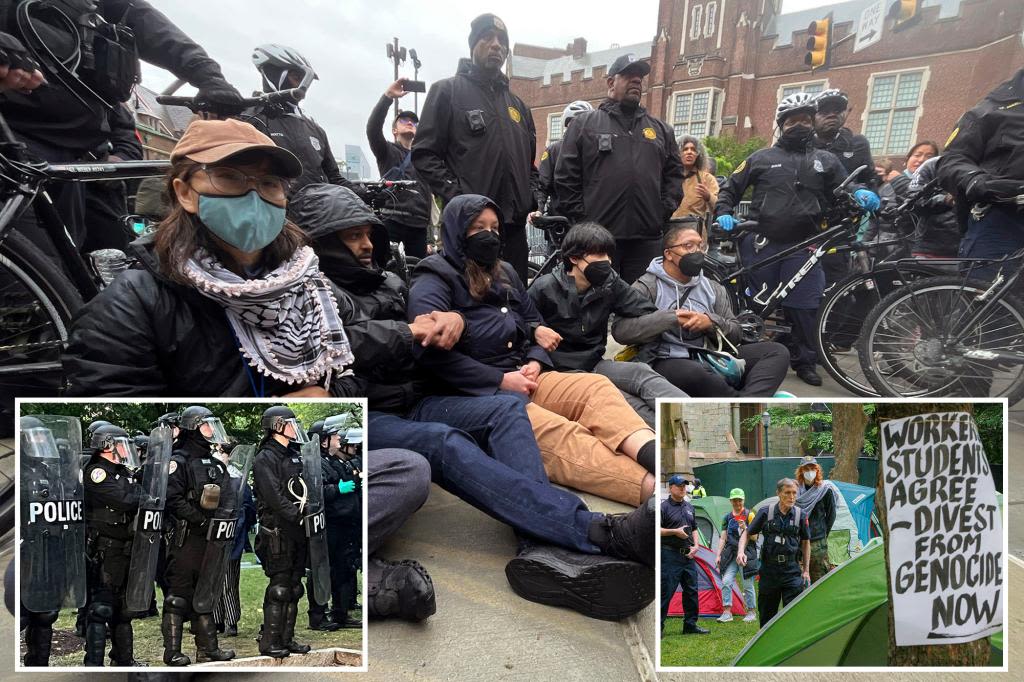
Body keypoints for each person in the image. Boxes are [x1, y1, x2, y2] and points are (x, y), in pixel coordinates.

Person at [291, 184, 656, 621]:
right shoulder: (311, 294)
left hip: (424, 397)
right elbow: (370, 343)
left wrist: (517, 347)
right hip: (369, 411)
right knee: (444, 442)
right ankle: (595, 531)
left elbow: (528, 322)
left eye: (368, 233)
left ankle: (538, 548)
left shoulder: (392, 279)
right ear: (318, 240)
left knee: (509, 411)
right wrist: (448, 332)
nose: (366, 244)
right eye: (352, 236)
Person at [63, 118, 356, 398]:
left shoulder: (309, 281)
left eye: (269, 183)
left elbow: (360, 369)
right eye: (229, 177)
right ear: (185, 193)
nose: (253, 197)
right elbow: (120, 419)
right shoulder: (132, 304)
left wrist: (329, 394)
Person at [409, 194, 658, 506]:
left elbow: (533, 322)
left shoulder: (505, 272)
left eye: (495, 228)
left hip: (523, 375)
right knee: (557, 431)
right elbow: (428, 353)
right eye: (478, 227)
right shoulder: (434, 274)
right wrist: (498, 380)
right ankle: (653, 489)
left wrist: (535, 361)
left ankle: (655, 456)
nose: (490, 235)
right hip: (471, 392)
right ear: (456, 230)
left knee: (594, 387)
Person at [0, 1, 243, 253]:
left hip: (76, 159)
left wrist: (209, 76)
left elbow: (150, 25)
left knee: (92, 262)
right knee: (32, 276)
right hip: (14, 145)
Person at [715, 93, 879, 386]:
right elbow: (730, 189)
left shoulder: (825, 160)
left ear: (812, 122)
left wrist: (859, 192)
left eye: (805, 119)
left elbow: (846, 186)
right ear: (781, 124)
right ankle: (752, 356)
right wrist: (724, 213)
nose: (799, 125)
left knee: (805, 307)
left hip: (806, 245)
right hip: (762, 242)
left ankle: (804, 360)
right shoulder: (761, 157)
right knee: (756, 306)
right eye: (792, 121)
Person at [412, 13, 538, 281]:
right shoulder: (447, 92)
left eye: (502, 41)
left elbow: (530, 166)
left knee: (515, 302)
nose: (496, 45)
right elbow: (424, 154)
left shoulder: (519, 107)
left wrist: (531, 197)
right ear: (473, 44)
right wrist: (459, 196)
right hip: (470, 228)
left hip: (513, 229)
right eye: (487, 37)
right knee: (471, 304)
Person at [527, 222, 688, 427]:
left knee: (641, 373)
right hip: (558, 372)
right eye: (599, 255)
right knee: (621, 399)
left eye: (608, 255)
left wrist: (642, 357)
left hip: (594, 363)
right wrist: (536, 332)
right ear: (574, 258)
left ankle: (696, 418)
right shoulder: (544, 287)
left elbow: (647, 314)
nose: (607, 262)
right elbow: (520, 324)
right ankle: (677, 436)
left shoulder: (610, 283)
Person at [614, 224, 789, 397]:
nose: (697, 252)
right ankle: (743, 402)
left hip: (709, 354)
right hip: (665, 358)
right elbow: (621, 331)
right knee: (694, 373)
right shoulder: (646, 286)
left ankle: (745, 403)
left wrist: (710, 323)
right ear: (668, 254)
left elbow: (736, 333)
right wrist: (670, 318)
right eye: (688, 246)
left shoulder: (713, 288)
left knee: (777, 352)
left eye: (700, 246)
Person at [555, 53, 684, 283]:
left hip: (646, 240)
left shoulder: (661, 130)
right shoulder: (585, 125)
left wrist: (660, 212)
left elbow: (674, 176)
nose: (636, 81)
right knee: (596, 305)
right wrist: (585, 222)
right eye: (628, 75)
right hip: (599, 241)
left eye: (640, 77)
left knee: (641, 307)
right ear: (611, 82)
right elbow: (566, 177)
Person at [162, 406, 236, 666]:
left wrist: (222, 521)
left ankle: (207, 649)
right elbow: (172, 499)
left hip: (211, 537)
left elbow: (228, 497)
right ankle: (172, 652)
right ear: (193, 427)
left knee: (205, 593)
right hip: (186, 538)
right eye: (206, 425)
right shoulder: (177, 461)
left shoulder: (215, 463)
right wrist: (200, 520)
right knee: (179, 596)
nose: (211, 431)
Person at [938, 66, 1024, 276]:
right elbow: (951, 160)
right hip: (1003, 219)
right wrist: (977, 180)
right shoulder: (989, 110)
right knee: (986, 300)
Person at [251, 406, 317, 658]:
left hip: (298, 530)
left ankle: (287, 639)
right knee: (279, 588)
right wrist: (299, 516)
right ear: (277, 425)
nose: (295, 426)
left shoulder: (293, 454)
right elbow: (275, 497)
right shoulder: (264, 458)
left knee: (294, 587)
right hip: (278, 531)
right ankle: (269, 641)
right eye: (290, 422)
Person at [246, 44, 353, 196]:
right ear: (273, 75)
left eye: (306, 81)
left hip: (319, 211)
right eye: (297, 78)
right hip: (274, 210)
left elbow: (334, 177)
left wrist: (367, 193)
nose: (304, 88)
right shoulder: (247, 118)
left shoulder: (315, 129)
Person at [82, 424, 143, 666]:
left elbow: (139, 492)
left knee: (123, 610)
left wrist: (141, 494)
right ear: (107, 445)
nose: (125, 449)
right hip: (105, 550)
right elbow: (125, 500)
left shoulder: (124, 471)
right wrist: (141, 496)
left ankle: (123, 659)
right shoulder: (96, 472)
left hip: (126, 547)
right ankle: (94, 664)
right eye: (120, 443)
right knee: (101, 609)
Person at [812, 89, 877, 286]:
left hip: (841, 224)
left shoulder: (857, 144)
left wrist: (864, 194)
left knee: (836, 280)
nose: (831, 114)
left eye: (837, 109)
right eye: (824, 111)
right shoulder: (804, 145)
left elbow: (869, 178)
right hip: (807, 223)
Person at [366, 79, 433, 258]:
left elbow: (428, 195)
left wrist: (429, 236)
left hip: (418, 224)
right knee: (383, 266)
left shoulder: (424, 158)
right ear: (394, 130)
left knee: (419, 271)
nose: (410, 122)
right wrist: (387, 97)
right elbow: (373, 129)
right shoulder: (387, 151)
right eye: (404, 120)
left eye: (414, 121)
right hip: (391, 219)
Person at [306, 417, 362, 630]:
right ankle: (318, 616)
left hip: (346, 523)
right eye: (334, 435)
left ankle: (341, 613)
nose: (339, 438)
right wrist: (337, 489)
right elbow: (314, 490)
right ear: (323, 441)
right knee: (321, 569)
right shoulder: (315, 463)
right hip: (329, 525)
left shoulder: (337, 461)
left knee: (343, 570)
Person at [737, 478, 811, 627]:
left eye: (794, 493)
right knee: (767, 615)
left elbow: (806, 542)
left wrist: (806, 570)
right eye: (787, 493)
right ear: (778, 493)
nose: (791, 497)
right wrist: (740, 551)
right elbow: (747, 533)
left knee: (793, 614)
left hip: (791, 570)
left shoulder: (800, 515)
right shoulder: (766, 512)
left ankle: (791, 645)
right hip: (769, 570)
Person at [660, 475, 708, 636]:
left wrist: (696, 545)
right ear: (670, 487)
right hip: (669, 554)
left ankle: (690, 625)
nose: (683, 488)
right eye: (679, 485)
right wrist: (675, 532)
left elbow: (694, 528)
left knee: (691, 591)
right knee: (666, 591)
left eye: (684, 485)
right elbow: (656, 529)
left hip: (688, 555)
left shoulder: (689, 507)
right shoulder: (664, 507)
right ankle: (658, 627)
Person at [533, 100, 593, 217]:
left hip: (591, 215)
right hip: (560, 217)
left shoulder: (595, 149)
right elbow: (543, 183)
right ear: (567, 125)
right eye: (574, 123)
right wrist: (539, 209)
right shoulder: (553, 150)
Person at [714, 488, 757, 623]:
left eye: (739, 500)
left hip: (746, 555)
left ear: (743, 500)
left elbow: (755, 537)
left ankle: (751, 612)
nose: (737, 503)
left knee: (747, 584)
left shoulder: (750, 515)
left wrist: (745, 527)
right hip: (731, 555)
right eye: (734, 500)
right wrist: (718, 555)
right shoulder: (727, 518)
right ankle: (727, 612)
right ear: (731, 501)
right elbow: (722, 538)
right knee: (726, 581)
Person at [905, 155, 960, 257]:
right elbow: (913, 201)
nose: (921, 158)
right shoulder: (931, 165)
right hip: (930, 246)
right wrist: (944, 200)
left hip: (969, 246)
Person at [794, 456, 838, 583]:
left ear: (817, 470)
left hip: (817, 542)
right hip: (797, 540)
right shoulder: (795, 491)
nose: (810, 471)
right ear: (801, 471)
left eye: (812, 468)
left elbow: (831, 515)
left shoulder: (825, 491)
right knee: (798, 579)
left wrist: (823, 533)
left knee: (819, 578)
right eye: (806, 468)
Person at [671, 135, 719, 222]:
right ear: (677, 153)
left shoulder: (707, 178)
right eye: (685, 149)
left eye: (693, 149)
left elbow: (719, 208)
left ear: (698, 154)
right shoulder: (668, 177)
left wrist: (709, 197)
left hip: (695, 232)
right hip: (670, 231)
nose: (689, 152)